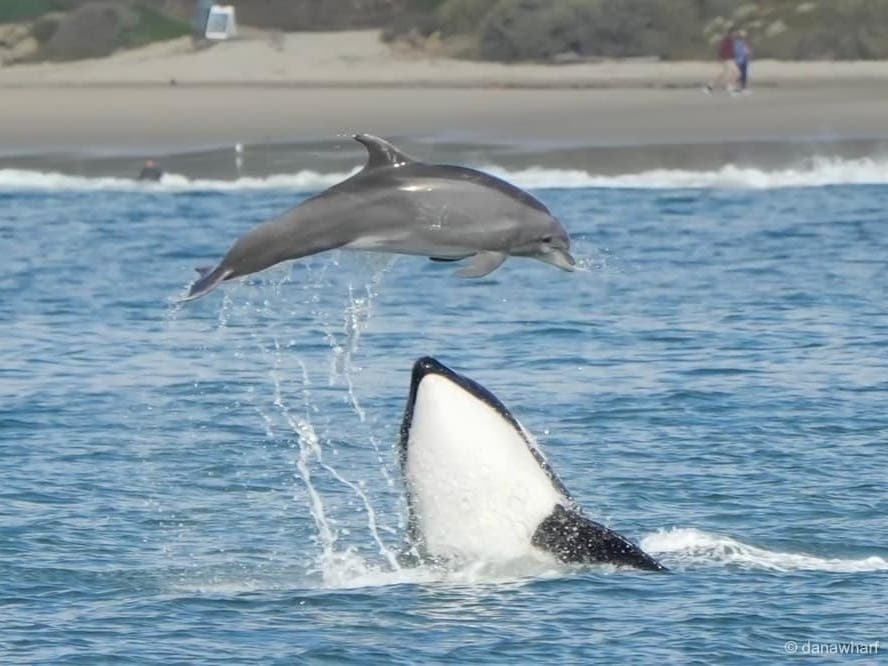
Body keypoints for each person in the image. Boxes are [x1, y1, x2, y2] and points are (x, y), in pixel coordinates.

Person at [704, 29, 738, 94]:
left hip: (729, 59)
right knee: (736, 72)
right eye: (735, 33)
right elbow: (721, 50)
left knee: (723, 74)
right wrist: (720, 58)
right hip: (728, 59)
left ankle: (710, 86)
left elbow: (725, 50)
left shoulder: (730, 40)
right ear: (732, 33)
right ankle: (730, 86)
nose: (736, 35)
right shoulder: (727, 40)